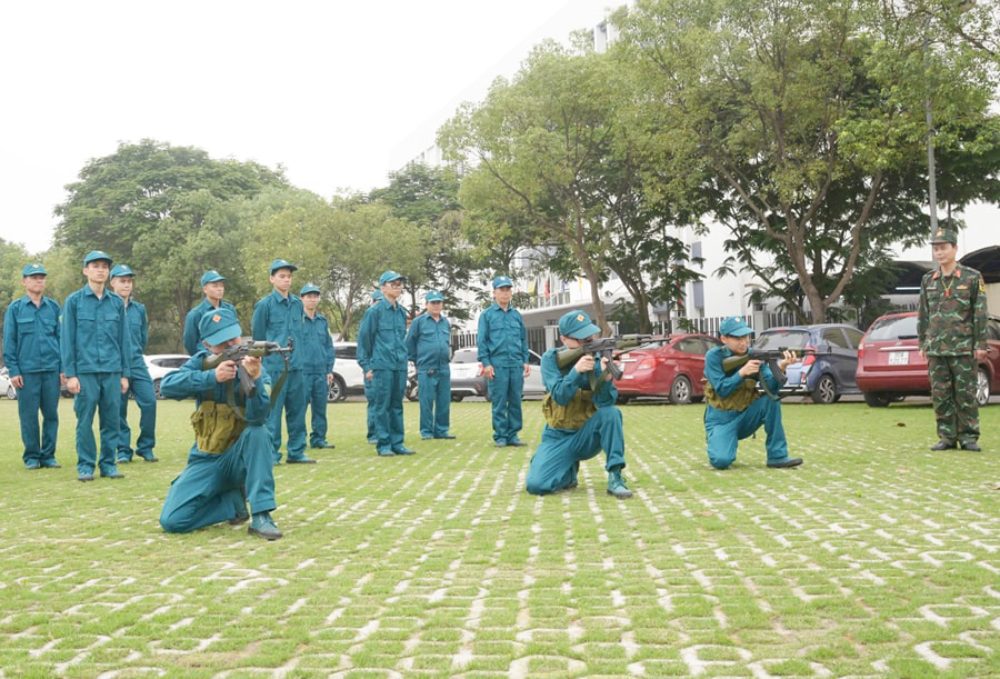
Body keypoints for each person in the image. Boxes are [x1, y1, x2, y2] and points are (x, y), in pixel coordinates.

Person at [159, 307, 282, 540]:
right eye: (221, 342)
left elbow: (259, 418)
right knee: (172, 520)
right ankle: (233, 506)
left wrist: (254, 377)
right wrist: (211, 377)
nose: (230, 345)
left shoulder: (254, 365)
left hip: (239, 459)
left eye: (233, 338)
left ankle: (262, 515)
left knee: (258, 433)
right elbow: (167, 386)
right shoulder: (201, 363)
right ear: (207, 345)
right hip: (205, 458)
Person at [525, 310, 633, 498]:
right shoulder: (551, 360)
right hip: (557, 436)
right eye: (582, 340)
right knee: (536, 485)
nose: (588, 342)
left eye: (590, 337)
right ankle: (567, 472)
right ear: (564, 340)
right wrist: (576, 371)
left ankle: (615, 476)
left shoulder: (598, 359)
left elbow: (605, 403)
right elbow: (559, 395)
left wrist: (605, 378)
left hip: (585, 435)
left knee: (612, 414)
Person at [61, 250, 131, 481]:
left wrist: (124, 374)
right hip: (85, 371)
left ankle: (109, 464)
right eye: (95, 265)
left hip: (112, 371)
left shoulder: (116, 303)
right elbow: (67, 340)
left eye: (104, 266)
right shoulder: (74, 302)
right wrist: (70, 374)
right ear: (85, 270)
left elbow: (124, 340)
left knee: (112, 421)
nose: (100, 269)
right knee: (85, 421)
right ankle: (86, 465)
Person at [918, 226, 990, 452]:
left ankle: (968, 436)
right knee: (941, 395)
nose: (939, 253)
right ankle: (947, 436)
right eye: (936, 249)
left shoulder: (971, 277)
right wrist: (922, 342)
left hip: (963, 347)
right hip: (937, 348)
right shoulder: (929, 279)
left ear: (955, 248)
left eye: (943, 248)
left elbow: (979, 312)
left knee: (965, 394)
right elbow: (923, 313)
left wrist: (980, 344)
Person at [702, 317, 802, 470]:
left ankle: (777, 457)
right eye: (738, 338)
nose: (744, 342)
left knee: (772, 401)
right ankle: (718, 439)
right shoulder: (714, 357)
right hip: (720, 420)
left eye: (746, 337)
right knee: (721, 461)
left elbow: (771, 388)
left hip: (745, 416)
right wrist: (742, 373)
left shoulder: (754, 355)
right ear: (724, 339)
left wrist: (781, 367)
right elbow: (722, 389)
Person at [251, 258, 313, 464]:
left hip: (296, 366)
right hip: (274, 367)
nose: (287, 280)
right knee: (273, 414)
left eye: (289, 276)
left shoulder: (297, 304)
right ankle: (271, 453)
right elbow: (258, 338)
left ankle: (296, 451)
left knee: (298, 411)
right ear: (272, 279)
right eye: (282, 276)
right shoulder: (264, 305)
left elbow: (301, 334)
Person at [3, 263, 62, 470]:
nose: (38, 280)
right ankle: (31, 456)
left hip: (51, 370)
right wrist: (14, 370)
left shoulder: (53, 307)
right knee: (28, 416)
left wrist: (63, 369)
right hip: (26, 372)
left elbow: (61, 339)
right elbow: (9, 342)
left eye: (41, 277)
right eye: (34, 277)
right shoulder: (15, 309)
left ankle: (48, 455)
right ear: (24, 281)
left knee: (51, 415)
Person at [357, 270, 415, 456]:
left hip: (399, 365)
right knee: (382, 405)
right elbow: (364, 340)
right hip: (382, 365)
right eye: (393, 284)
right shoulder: (374, 312)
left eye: (399, 284)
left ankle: (397, 442)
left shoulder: (400, 312)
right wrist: (367, 366)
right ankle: (383, 444)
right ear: (383, 288)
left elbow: (402, 339)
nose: (397, 287)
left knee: (397, 404)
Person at [109, 264, 158, 463]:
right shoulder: (108, 305)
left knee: (150, 402)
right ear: (112, 283)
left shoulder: (139, 309)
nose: (126, 285)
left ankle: (145, 446)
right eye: (122, 281)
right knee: (118, 408)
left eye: (129, 281)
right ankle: (123, 450)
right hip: (116, 365)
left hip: (136, 362)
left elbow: (143, 337)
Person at [477, 275, 530, 447]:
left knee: (515, 400)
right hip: (497, 364)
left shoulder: (516, 315)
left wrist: (525, 360)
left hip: (515, 363)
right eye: (502, 290)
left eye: (508, 289)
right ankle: (500, 435)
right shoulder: (487, 315)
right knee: (499, 401)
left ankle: (513, 434)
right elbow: (482, 341)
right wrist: (486, 363)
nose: (505, 293)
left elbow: (523, 339)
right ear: (494, 293)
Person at [406, 290, 455, 440]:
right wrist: (418, 362)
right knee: (426, 401)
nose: (436, 305)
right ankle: (426, 431)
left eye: (438, 302)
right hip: (426, 367)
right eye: (433, 302)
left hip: (444, 367)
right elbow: (409, 343)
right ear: (426, 304)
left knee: (444, 400)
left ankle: (441, 430)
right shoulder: (418, 322)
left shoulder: (445, 322)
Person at [299, 283, 336, 450]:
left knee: (320, 407)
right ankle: (298, 440)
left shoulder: (322, 321)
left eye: (315, 296)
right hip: (302, 371)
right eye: (309, 296)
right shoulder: (297, 320)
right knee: (299, 408)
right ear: (302, 298)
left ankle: (319, 438)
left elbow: (328, 346)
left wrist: (329, 369)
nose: (312, 299)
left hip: (320, 372)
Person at [183, 270, 235, 356]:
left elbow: (234, 334)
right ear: (205, 289)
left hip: (229, 357)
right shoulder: (195, 314)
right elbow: (190, 344)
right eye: (215, 286)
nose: (220, 289)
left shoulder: (229, 310)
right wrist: (204, 359)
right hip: (209, 361)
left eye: (221, 285)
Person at [364, 288, 383, 444]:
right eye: (377, 301)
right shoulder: (370, 317)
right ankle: (373, 434)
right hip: (373, 368)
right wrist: (367, 367)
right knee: (375, 402)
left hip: (387, 367)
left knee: (386, 403)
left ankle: (384, 432)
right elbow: (364, 345)